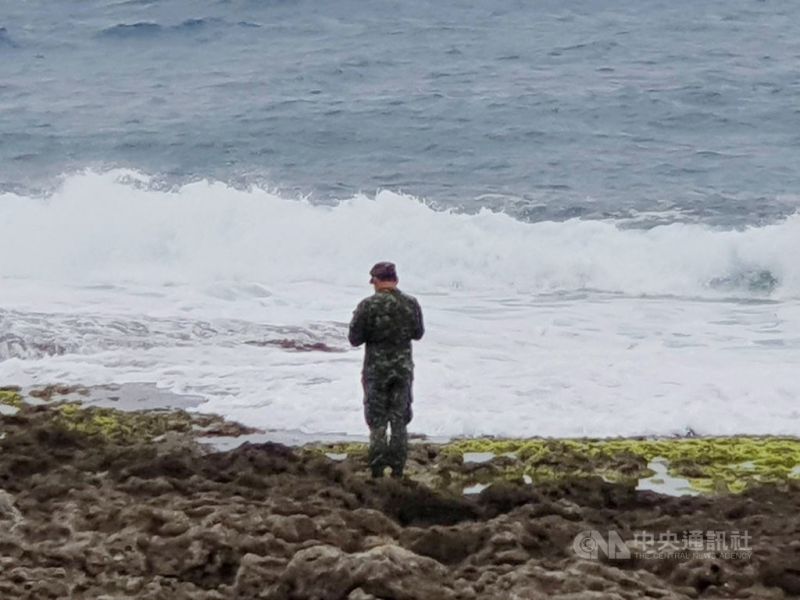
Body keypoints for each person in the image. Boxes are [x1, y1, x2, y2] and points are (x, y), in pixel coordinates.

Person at [348, 262, 424, 479]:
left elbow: (354, 339)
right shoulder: (411, 304)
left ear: (376, 281)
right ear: (395, 279)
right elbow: (418, 333)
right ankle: (398, 470)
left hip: (376, 371)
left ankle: (377, 471)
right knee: (399, 420)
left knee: (378, 421)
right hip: (402, 370)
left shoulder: (367, 306)